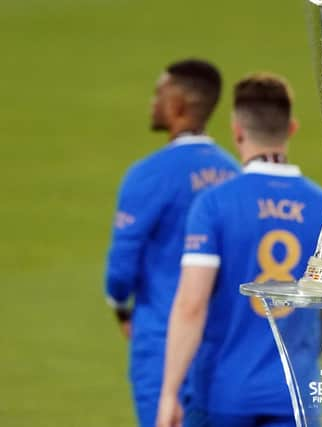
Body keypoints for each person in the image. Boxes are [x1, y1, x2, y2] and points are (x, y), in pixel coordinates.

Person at [156, 73, 322, 427]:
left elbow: (191, 305)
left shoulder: (214, 205)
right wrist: (306, 347)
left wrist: (169, 392)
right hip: (296, 395)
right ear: (291, 128)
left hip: (223, 395)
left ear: (236, 131)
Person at [104, 59, 240, 427]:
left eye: (159, 94)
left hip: (163, 343)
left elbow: (121, 266)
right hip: (225, 346)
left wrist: (121, 308)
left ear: (178, 105)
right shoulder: (233, 174)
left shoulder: (148, 174)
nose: (152, 102)